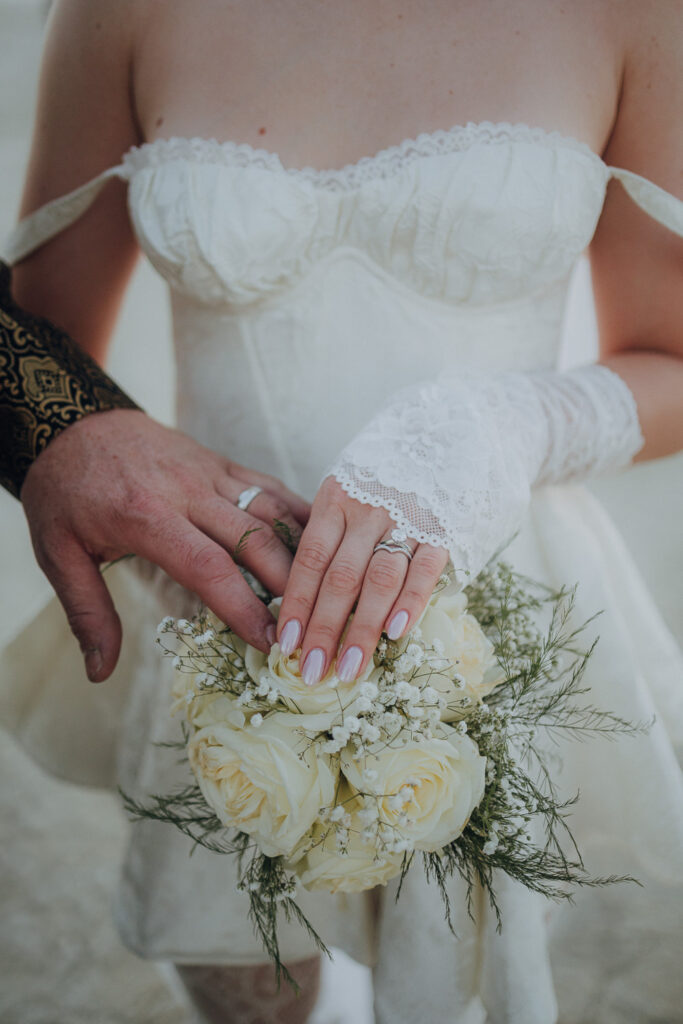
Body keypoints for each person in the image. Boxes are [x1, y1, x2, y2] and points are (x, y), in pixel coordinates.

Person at [2, 1, 682, 1021]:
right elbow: (41, 335)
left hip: (490, 640)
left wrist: (503, 421)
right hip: (217, 623)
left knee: (451, 980)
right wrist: (63, 430)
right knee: (253, 996)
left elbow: (671, 353)